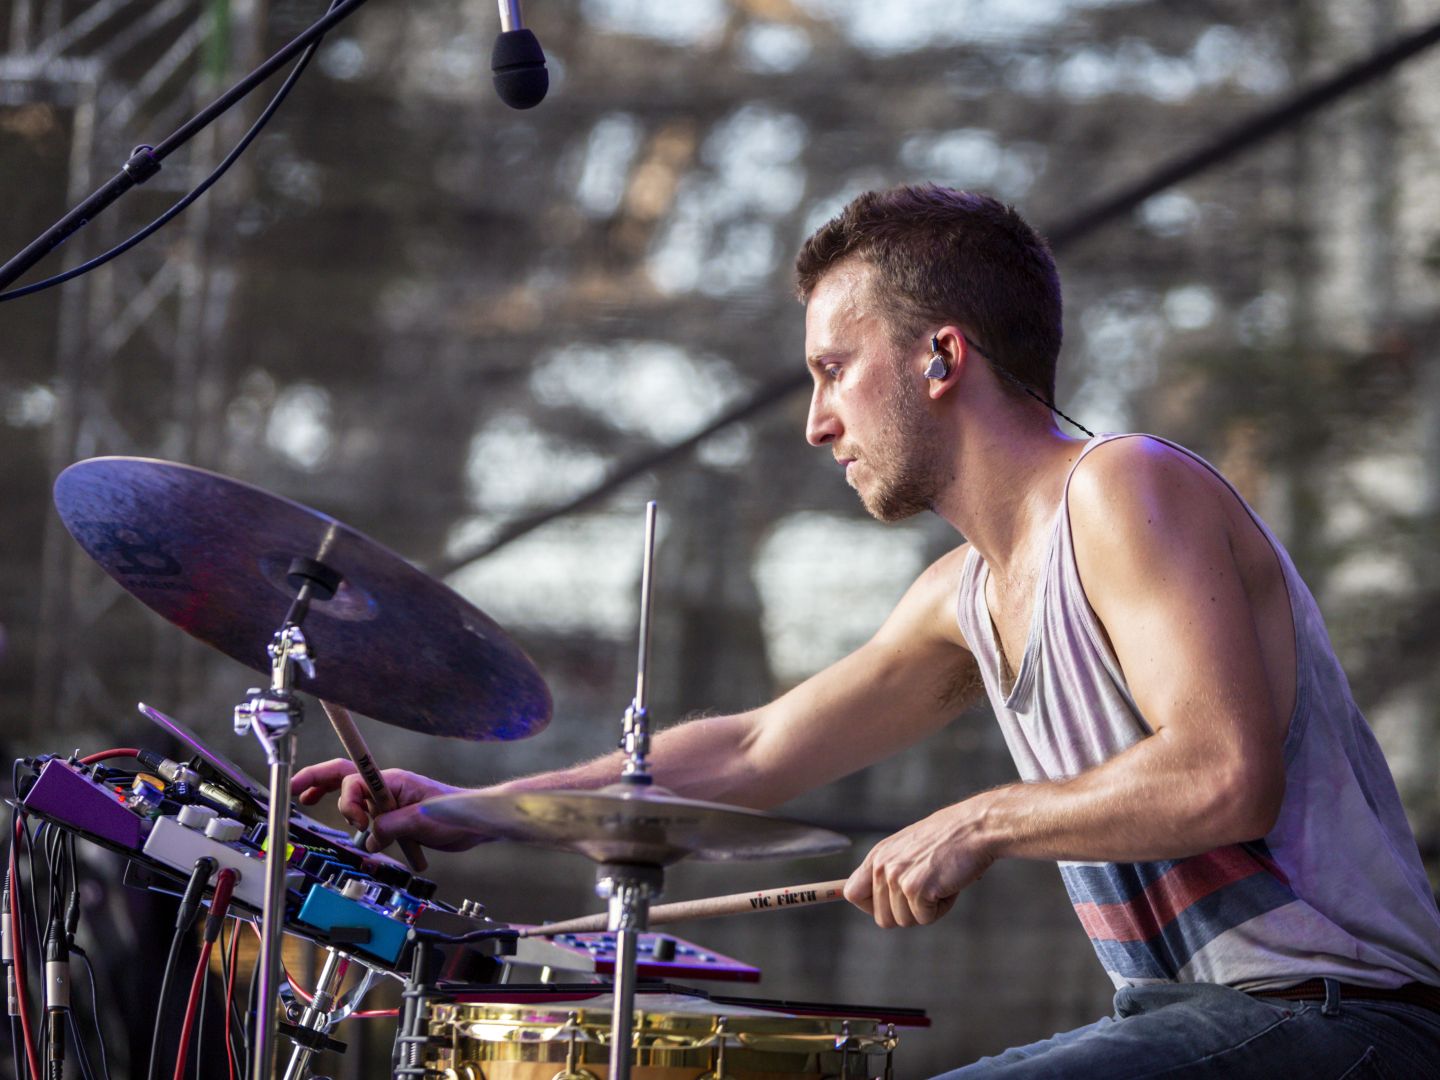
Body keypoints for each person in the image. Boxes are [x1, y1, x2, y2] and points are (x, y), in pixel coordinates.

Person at [293, 184, 1440, 1076]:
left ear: (941, 356)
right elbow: (749, 753)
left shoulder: (1123, 489)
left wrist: (979, 820)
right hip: (1198, 1026)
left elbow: (1221, 774)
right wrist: (463, 811)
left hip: (1345, 1025)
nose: (814, 422)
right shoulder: (963, 596)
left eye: (833, 370)